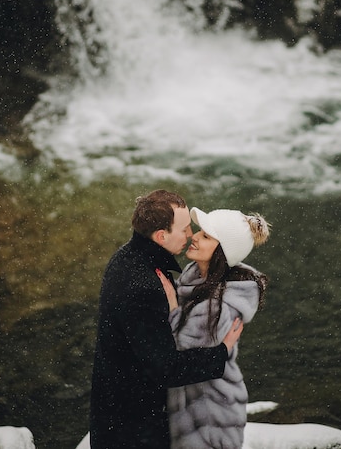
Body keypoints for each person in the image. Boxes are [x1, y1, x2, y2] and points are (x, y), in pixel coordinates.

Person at [90, 190, 244, 449]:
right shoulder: (145, 286)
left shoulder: (126, 258)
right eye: (184, 229)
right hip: (135, 429)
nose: (190, 235)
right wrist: (221, 352)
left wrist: (172, 310)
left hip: (113, 412)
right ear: (161, 236)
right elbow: (166, 369)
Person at [157, 206, 270, 449]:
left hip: (210, 412)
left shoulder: (220, 307)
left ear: (222, 252)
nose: (194, 236)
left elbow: (180, 353)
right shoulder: (195, 276)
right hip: (190, 404)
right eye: (199, 231)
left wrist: (172, 305)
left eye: (206, 236)